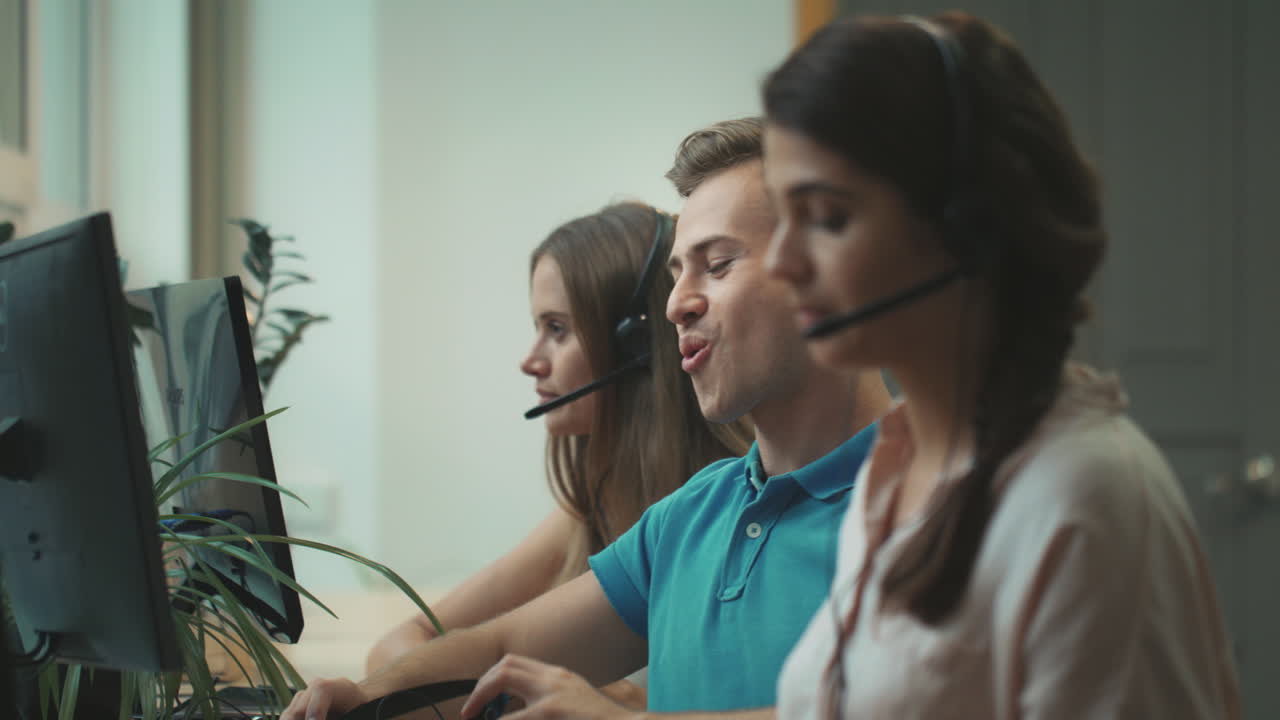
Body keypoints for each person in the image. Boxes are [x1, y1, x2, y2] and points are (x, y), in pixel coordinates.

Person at [281, 119, 893, 720]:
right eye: (679, 272)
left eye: (720, 263)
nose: (678, 303)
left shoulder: (937, 505)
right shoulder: (695, 512)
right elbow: (498, 651)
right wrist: (365, 700)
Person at [761, 12, 1241, 718]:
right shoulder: (893, 468)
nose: (779, 262)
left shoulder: (1086, 500)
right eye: (779, 216)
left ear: (969, 225)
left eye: (827, 217)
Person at [365, 202, 752, 706]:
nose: (530, 361)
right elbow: (401, 645)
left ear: (635, 346)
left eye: (557, 329)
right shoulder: (589, 510)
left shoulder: (723, 512)